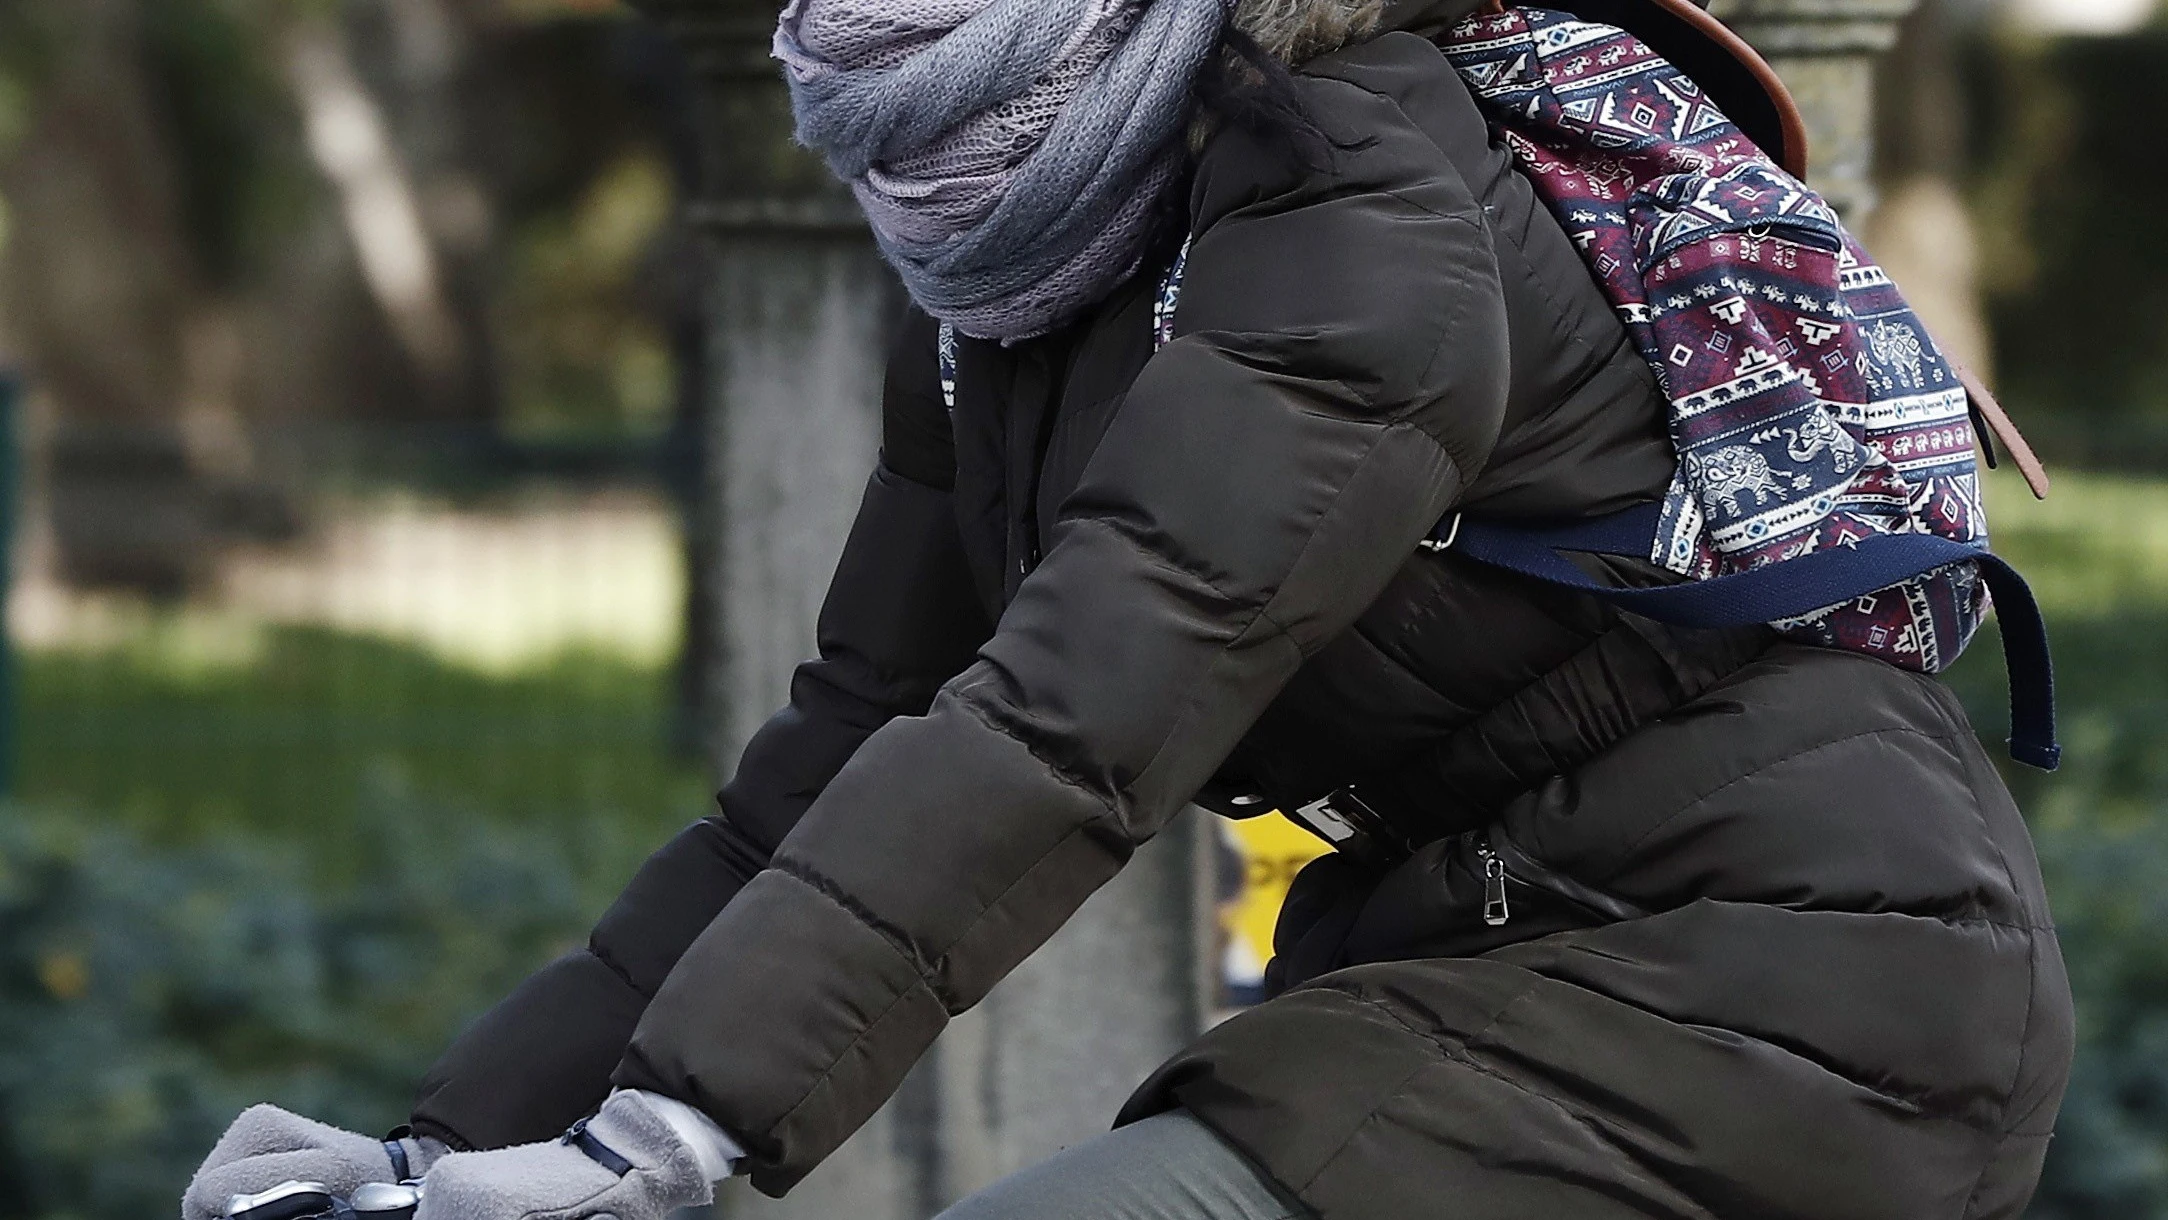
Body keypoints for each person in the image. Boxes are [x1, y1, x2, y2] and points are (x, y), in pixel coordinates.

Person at [183, 0, 2074, 1217]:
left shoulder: (1353, 203)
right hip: (1466, 968)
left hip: (1795, 996)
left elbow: (1076, 723)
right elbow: (837, 761)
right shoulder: (1021, 261)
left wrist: (670, 1140)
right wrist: (453, 1147)